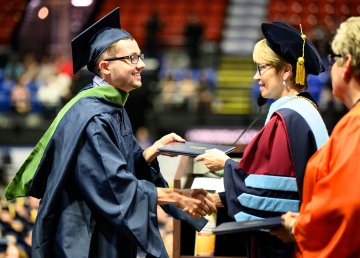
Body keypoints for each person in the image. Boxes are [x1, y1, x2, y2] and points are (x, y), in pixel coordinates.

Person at [4, 8, 216, 258]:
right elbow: (115, 188)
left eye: (140, 56)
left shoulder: (112, 107)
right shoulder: (94, 117)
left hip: (101, 228)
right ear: (105, 67)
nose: (142, 65)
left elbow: (114, 168)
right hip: (85, 237)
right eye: (132, 58)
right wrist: (179, 197)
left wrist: (149, 153)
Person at [194, 21, 329, 257]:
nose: (256, 76)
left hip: (283, 246)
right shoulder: (307, 110)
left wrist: (225, 164)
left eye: (262, 67)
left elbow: (271, 198)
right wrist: (221, 198)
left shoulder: (285, 120)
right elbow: (278, 185)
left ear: (286, 71)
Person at [275, 17, 360, 257]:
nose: (330, 67)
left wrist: (299, 227)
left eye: (334, 60)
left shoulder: (356, 125)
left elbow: (348, 206)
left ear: (349, 63)